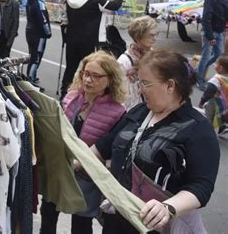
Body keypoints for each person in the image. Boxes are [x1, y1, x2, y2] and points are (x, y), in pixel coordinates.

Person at [82, 49, 220, 233]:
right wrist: (73, 159)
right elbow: (105, 146)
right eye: (139, 82)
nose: (140, 89)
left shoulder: (199, 129)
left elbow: (201, 186)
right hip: (116, 218)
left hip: (154, 226)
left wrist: (168, 208)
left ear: (169, 86)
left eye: (145, 83)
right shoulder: (139, 112)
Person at [41, 51, 126, 234]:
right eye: (86, 74)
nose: (88, 80)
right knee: (48, 212)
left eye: (96, 76)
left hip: (88, 175)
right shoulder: (72, 97)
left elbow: (110, 148)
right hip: (61, 168)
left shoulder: (117, 111)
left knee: (81, 223)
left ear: (110, 79)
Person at [60, 0, 124, 98]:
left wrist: (65, 39)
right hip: (90, 42)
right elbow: (115, 5)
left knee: (70, 69)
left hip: (72, 41)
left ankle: (64, 94)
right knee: (90, 71)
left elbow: (64, 21)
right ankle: (86, 95)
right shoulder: (95, 1)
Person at [118, 16, 158, 110]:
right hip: (134, 110)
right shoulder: (124, 61)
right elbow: (120, 94)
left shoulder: (153, 54)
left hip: (152, 106)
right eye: (151, 35)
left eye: (156, 35)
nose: (155, 38)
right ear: (139, 36)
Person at [197, 0, 228, 90]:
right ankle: (199, 79)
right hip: (209, 32)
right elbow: (206, 18)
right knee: (205, 56)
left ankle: (198, 70)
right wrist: (210, 36)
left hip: (219, 32)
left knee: (218, 54)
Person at [25, 0, 52, 84]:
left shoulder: (29, 1)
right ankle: (30, 79)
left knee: (32, 55)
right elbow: (43, 20)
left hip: (30, 31)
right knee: (36, 57)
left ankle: (31, 76)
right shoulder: (39, 3)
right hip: (39, 34)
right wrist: (48, 33)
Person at [199, 55, 228, 139]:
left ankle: (206, 134)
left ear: (221, 68)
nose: (214, 65)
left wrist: (202, 101)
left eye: (216, 64)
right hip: (225, 102)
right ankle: (223, 127)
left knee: (209, 117)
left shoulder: (216, 79)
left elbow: (209, 92)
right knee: (221, 115)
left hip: (214, 102)